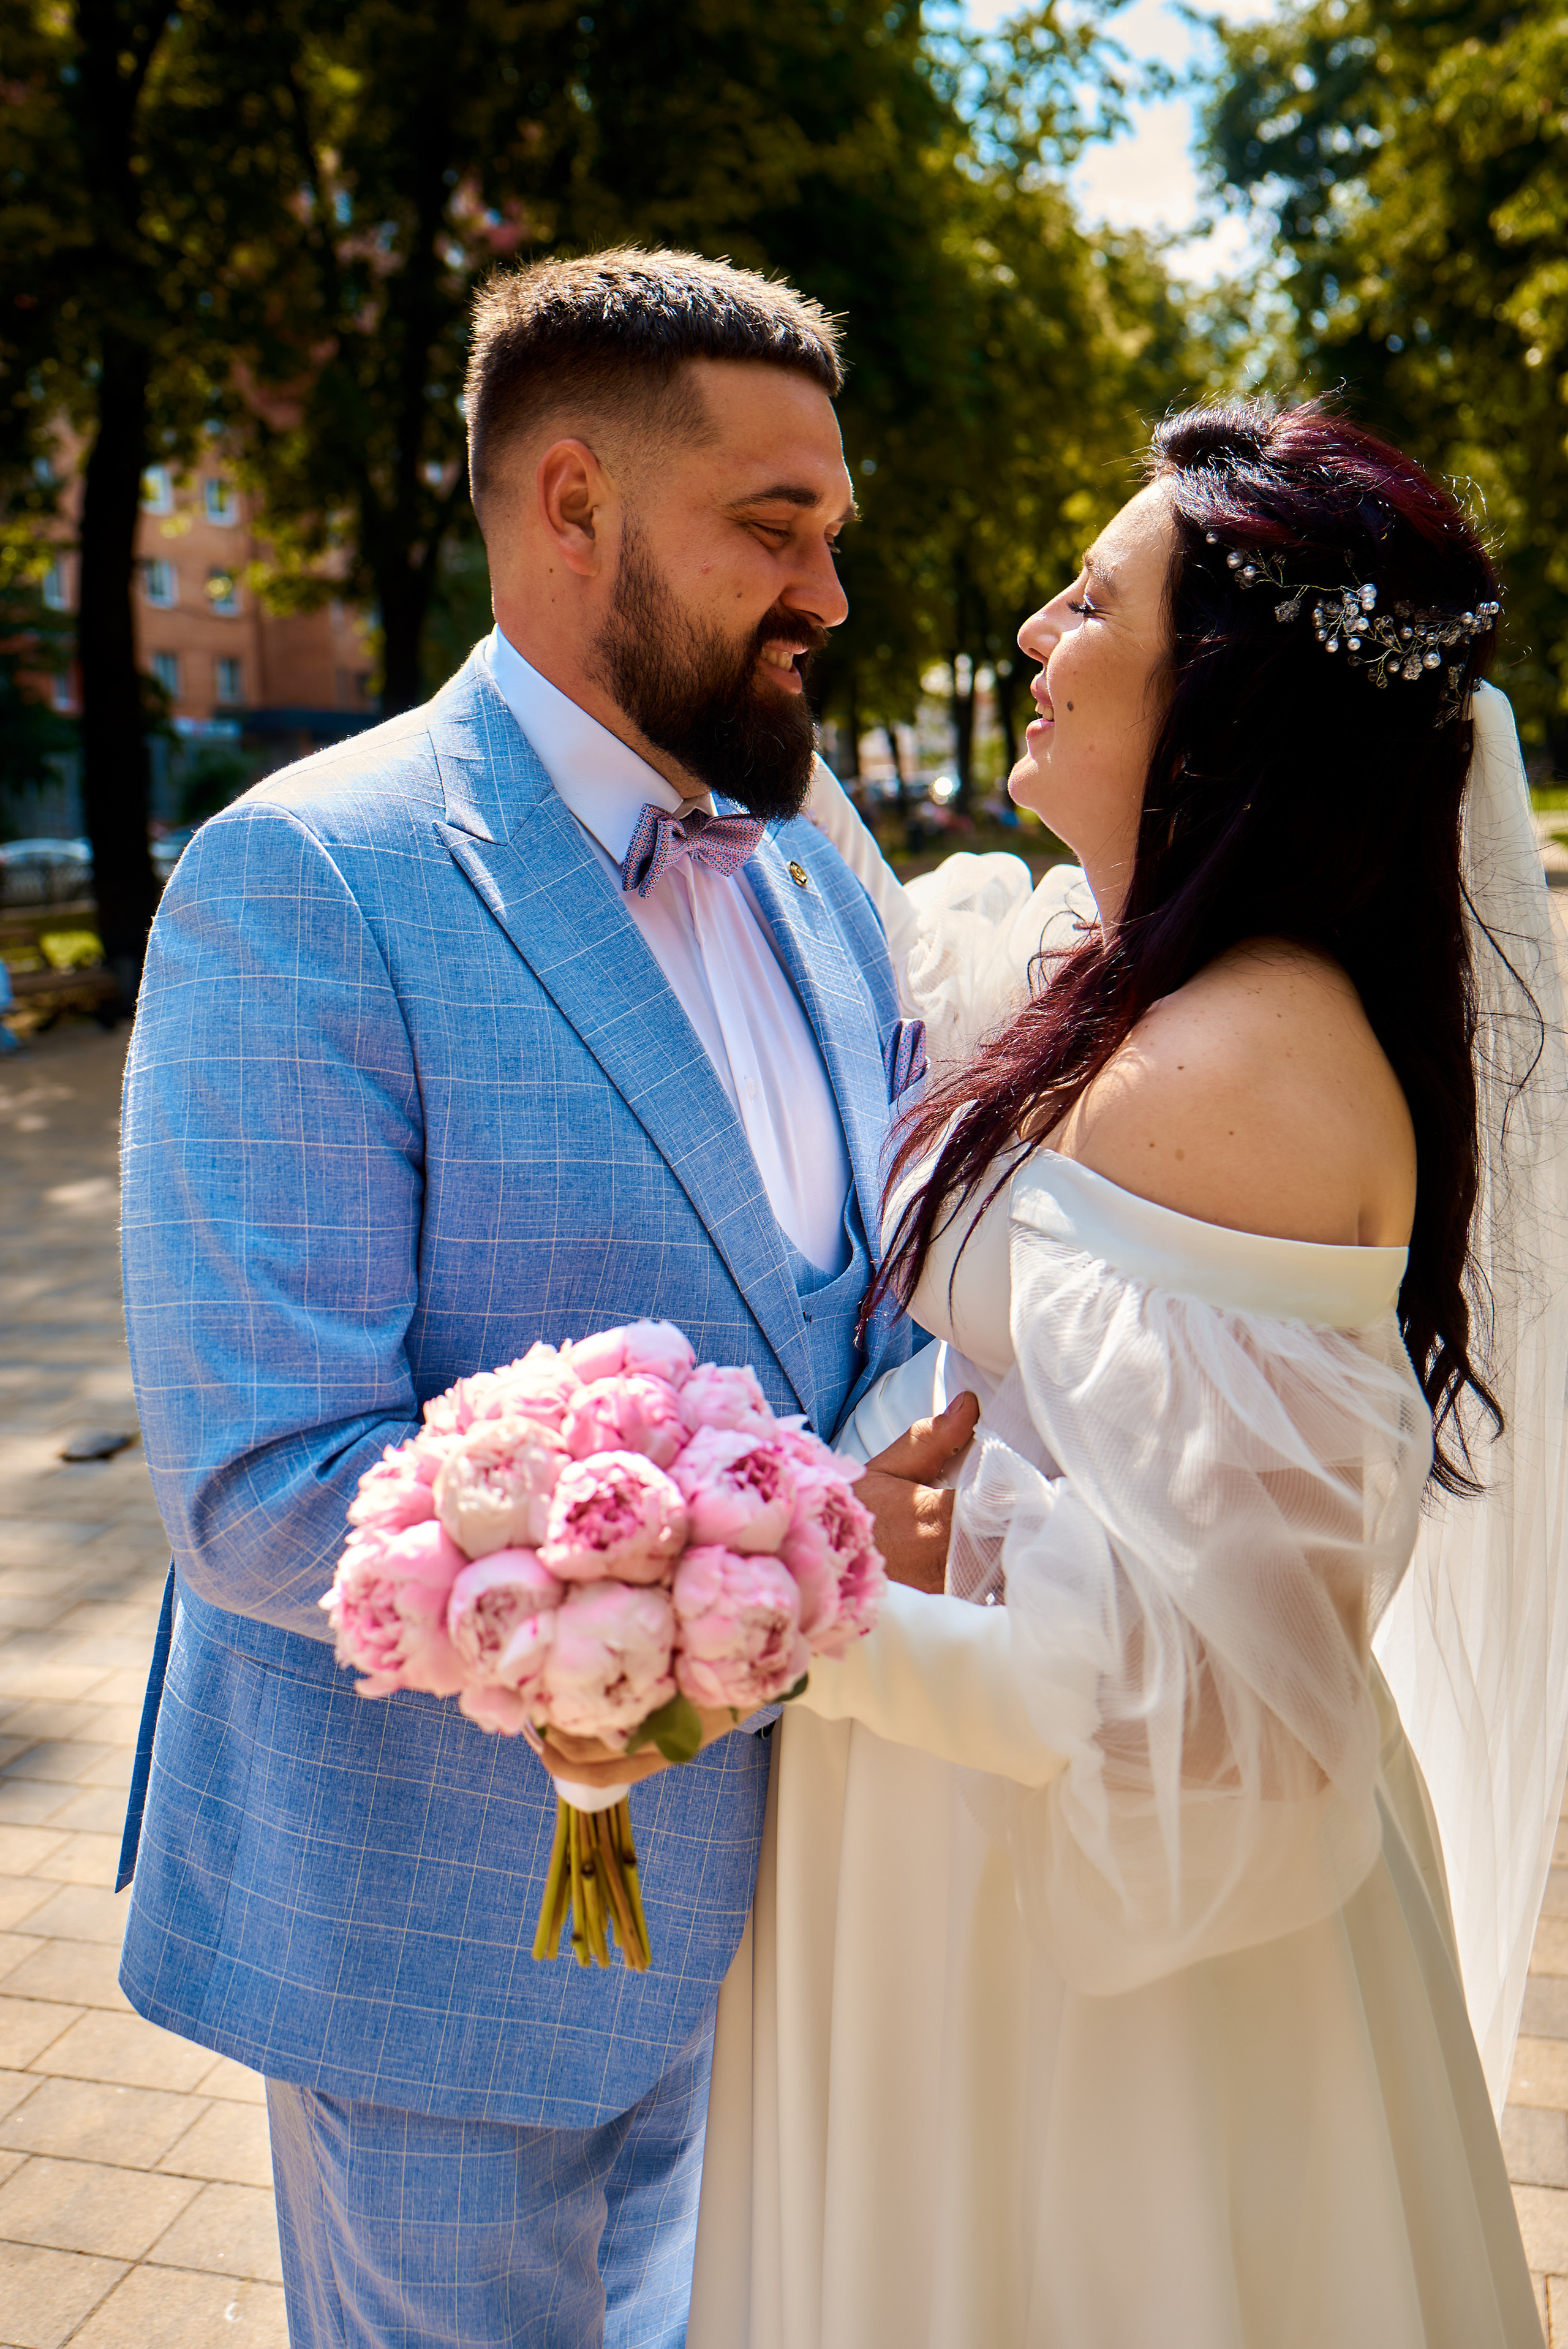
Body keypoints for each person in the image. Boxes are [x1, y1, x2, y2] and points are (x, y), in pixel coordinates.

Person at [564, 399, 1568, 2345]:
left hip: (1100, 1990)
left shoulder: (1248, 1074)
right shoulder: (1131, 983)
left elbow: (1214, 1743)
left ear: (1219, 700)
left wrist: (763, 1613)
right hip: (961, 1875)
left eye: (1092, 600)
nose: (1033, 628)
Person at [115, 247, 929, 2349]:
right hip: (444, 1945)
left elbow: (865, 1307)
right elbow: (268, 1475)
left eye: (829, 529)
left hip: (798, 1924)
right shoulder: (309, 879)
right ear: (573, 507)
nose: (829, 594)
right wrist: (775, 1572)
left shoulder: (817, 876)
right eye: (778, 527)